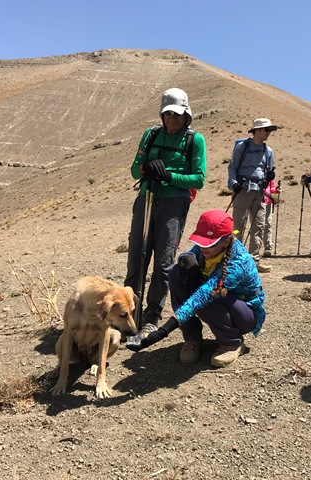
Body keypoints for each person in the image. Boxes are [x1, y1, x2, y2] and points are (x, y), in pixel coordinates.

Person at [125, 87, 206, 338]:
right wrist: (148, 168)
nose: (173, 119)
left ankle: (151, 315)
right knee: (137, 257)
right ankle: (127, 313)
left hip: (173, 203)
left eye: (178, 114)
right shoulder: (149, 135)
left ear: (186, 115)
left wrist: (169, 175)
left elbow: (199, 179)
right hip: (145, 199)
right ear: (162, 114)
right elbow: (134, 170)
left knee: (163, 262)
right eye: (168, 113)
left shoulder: (195, 140)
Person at [167, 209, 266, 367]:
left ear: (226, 241)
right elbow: (187, 254)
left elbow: (205, 293)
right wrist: (186, 258)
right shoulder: (205, 249)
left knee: (209, 295)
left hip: (244, 313)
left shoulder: (238, 262)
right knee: (176, 272)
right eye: (201, 242)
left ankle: (232, 342)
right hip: (221, 300)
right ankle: (192, 337)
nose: (203, 248)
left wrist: (168, 326)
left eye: (210, 244)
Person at [228, 118, 278, 273]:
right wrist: (234, 183)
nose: (268, 133)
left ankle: (253, 260)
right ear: (256, 130)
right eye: (265, 130)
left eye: (269, 130)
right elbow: (232, 166)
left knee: (259, 225)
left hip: (259, 191)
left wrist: (270, 177)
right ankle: (235, 260)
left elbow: (269, 170)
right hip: (242, 190)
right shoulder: (243, 146)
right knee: (238, 226)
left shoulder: (268, 151)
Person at [262, 178, 280, 257]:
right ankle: (254, 248)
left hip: (268, 202)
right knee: (257, 225)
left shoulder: (269, 175)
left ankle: (268, 247)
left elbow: (271, 188)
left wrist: (276, 190)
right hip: (257, 200)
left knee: (267, 223)